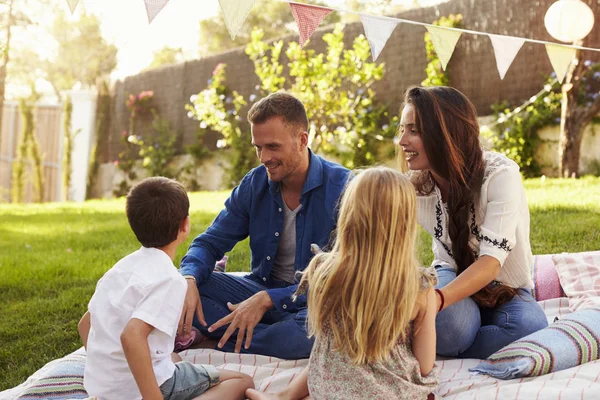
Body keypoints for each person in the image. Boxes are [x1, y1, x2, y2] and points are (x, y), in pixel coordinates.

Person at [178, 92, 352, 359]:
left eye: (272, 146)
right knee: (183, 291)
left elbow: (347, 273)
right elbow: (209, 243)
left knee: (311, 334)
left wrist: (270, 299)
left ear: (302, 140)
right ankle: (262, 333)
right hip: (259, 287)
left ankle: (223, 339)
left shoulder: (345, 188)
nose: (263, 157)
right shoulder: (254, 184)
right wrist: (188, 279)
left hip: (318, 298)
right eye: (258, 147)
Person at [246, 167, 440, 400]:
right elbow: (426, 364)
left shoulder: (325, 271)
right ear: (406, 223)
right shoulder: (419, 286)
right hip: (394, 392)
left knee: (335, 352)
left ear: (348, 214)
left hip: (334, 386)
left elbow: (321, 339)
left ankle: (284, 396)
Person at [398, 86, 548, 359]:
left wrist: (436, 302)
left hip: (505, 286)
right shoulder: (414, 187)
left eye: (414, 131)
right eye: (402, 130)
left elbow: (491, 264)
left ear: (445, 133)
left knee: (530, 326)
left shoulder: (500, 175)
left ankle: (437, 340)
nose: (402, 141)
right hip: (450, 272)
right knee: (451, 328)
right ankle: (457, 333)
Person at [78, 177, 254, 400]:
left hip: (101, 389)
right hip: (145, 389)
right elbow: (132, 336)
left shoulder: (119, 269)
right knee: (242, 381)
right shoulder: (170, 280)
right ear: (185, 225)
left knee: (174, 358)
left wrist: (109, 377)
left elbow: (85, 324)